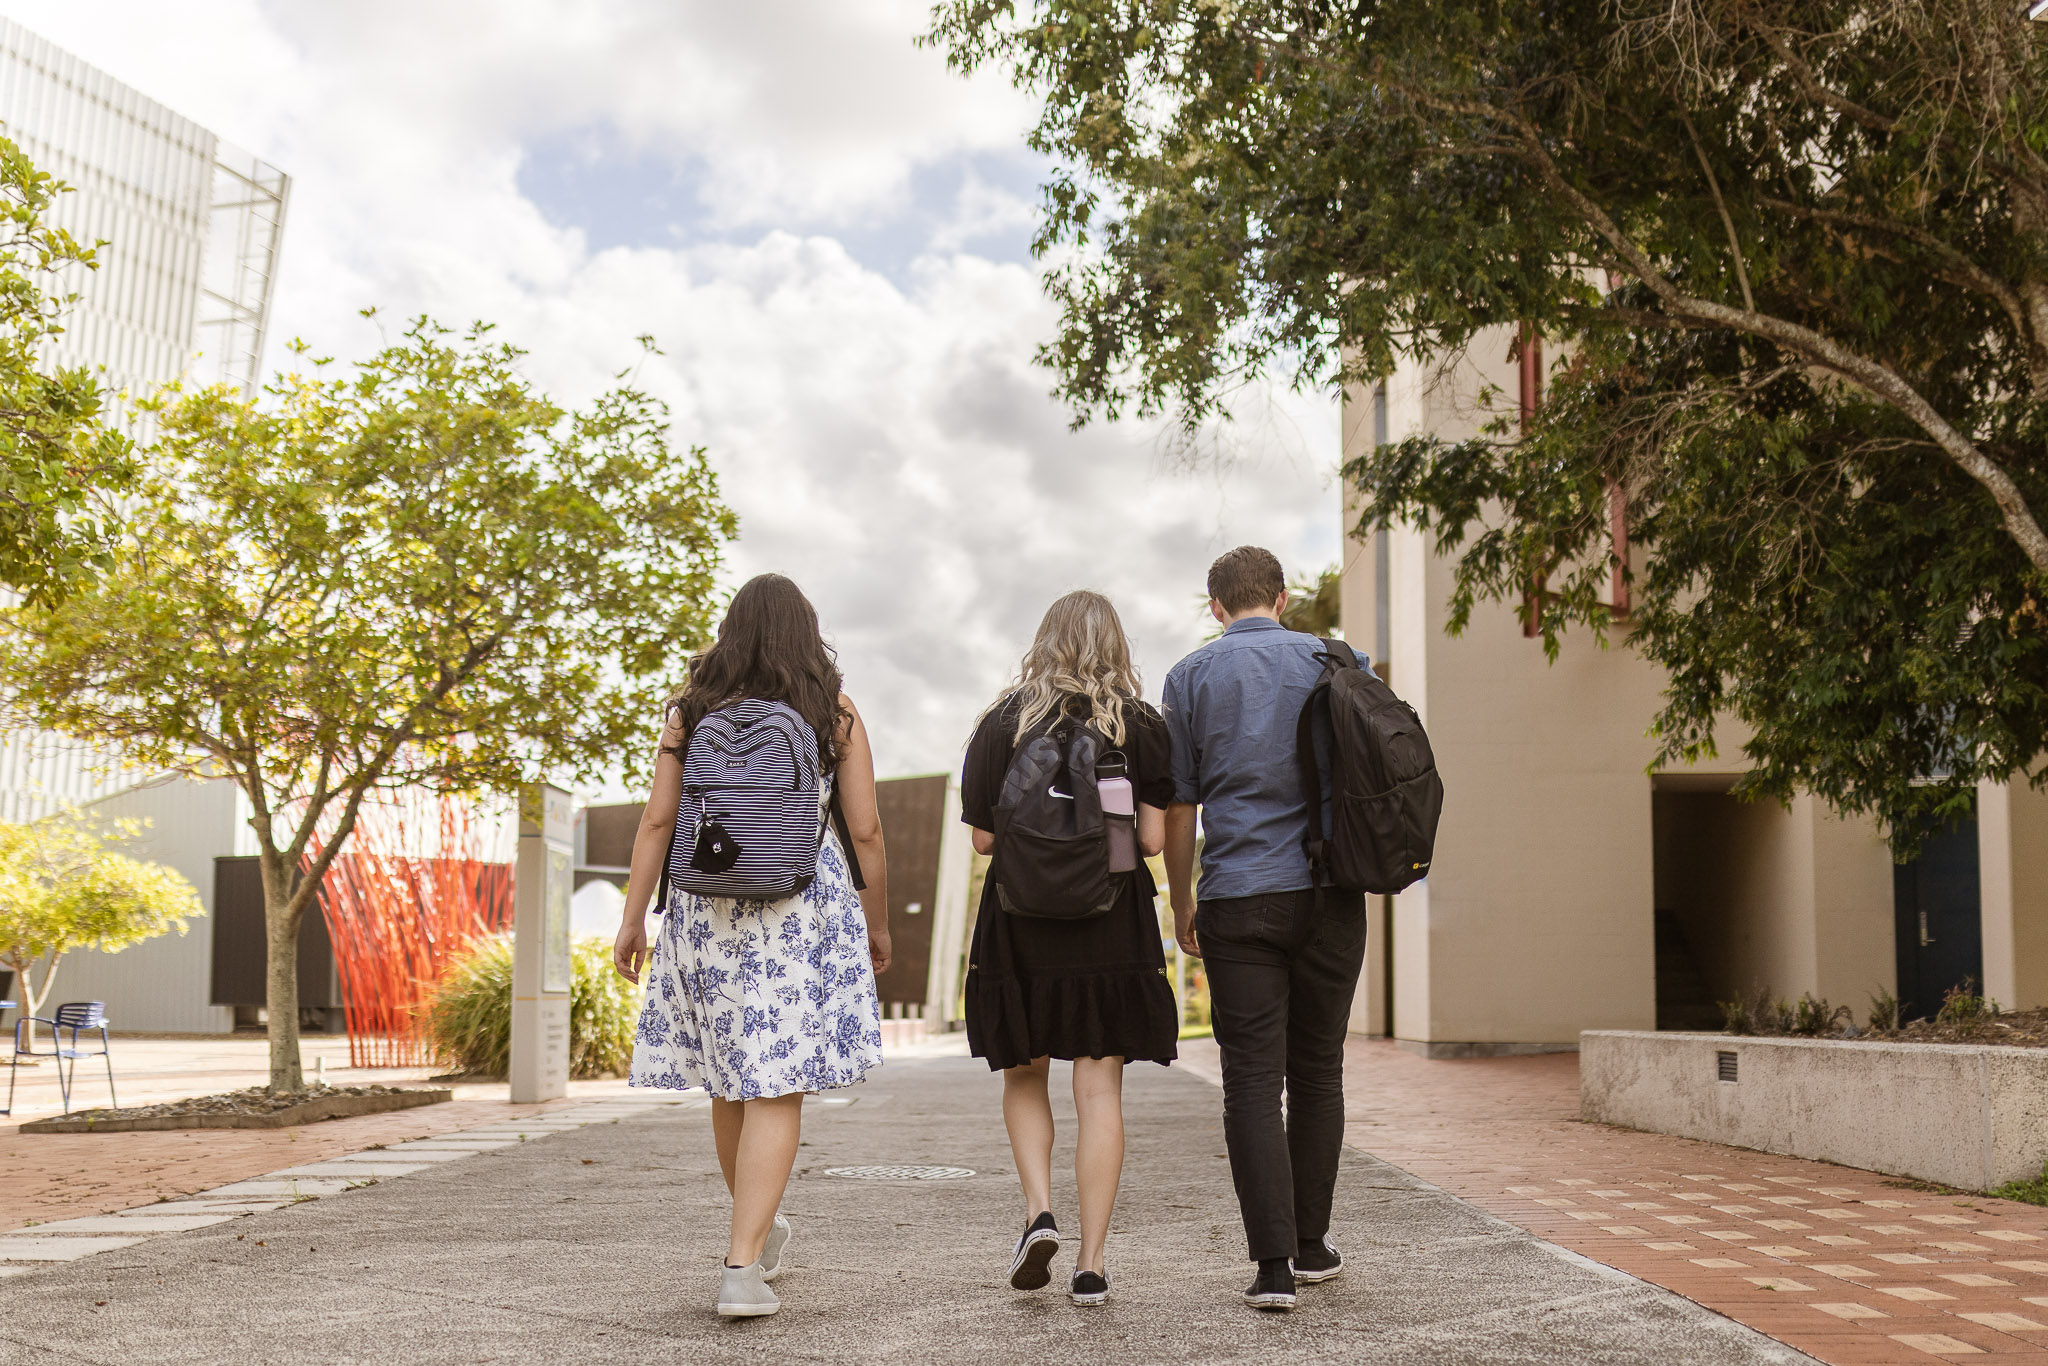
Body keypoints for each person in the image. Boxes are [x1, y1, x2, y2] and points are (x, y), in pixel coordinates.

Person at [613, 573, 891, 1320]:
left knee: (731, 1081)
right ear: (806, 632)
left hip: (706, 910)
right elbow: (864, 830)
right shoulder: (830, 709)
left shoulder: (692, 707)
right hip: (799, 906)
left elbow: (655, 823)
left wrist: (633, 917)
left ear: (731, 631)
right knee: (778, 1083)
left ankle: (756, 1236)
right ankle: (740, 1267)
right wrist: (879, 923)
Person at [1160, 546, 1372, 1312]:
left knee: (1251, 1078)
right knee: (1319, 1068)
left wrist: (1183, 899)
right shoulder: (1342, 660)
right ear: (1282, 598)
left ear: (1216, 607)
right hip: (1333, 894)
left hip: (1240, 897)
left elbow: (1179, 806)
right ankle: (1314, 1244)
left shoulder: (1189, 678)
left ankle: (1274, 1267)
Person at [961, 589, 1179, 1307]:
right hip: (1109, 921)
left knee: (1025, 1074)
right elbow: (1147, 842)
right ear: (1116, 645)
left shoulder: (1001, 721)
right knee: (1099, 1089)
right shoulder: (1140, 725)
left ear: (1043, 641)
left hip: (1020, 921)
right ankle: (1090, 1264)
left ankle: (1038, 1214)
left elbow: (986, 840)